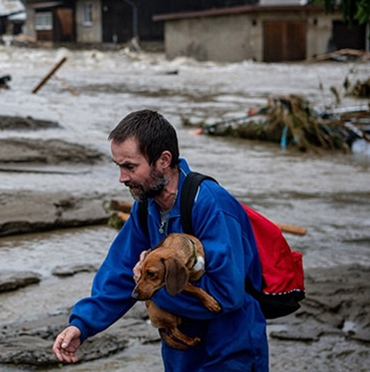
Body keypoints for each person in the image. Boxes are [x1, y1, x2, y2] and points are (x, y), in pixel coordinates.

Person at [52, 109, 268, 371]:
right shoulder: (146, 207)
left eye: (130, 166)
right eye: (118, 166)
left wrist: (154, 290)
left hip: (231, 350)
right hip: (181, 353)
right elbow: (121, 272)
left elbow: (226, 295)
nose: (122, 178)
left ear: (163, 160)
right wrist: (82, 325)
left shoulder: (211, 205)